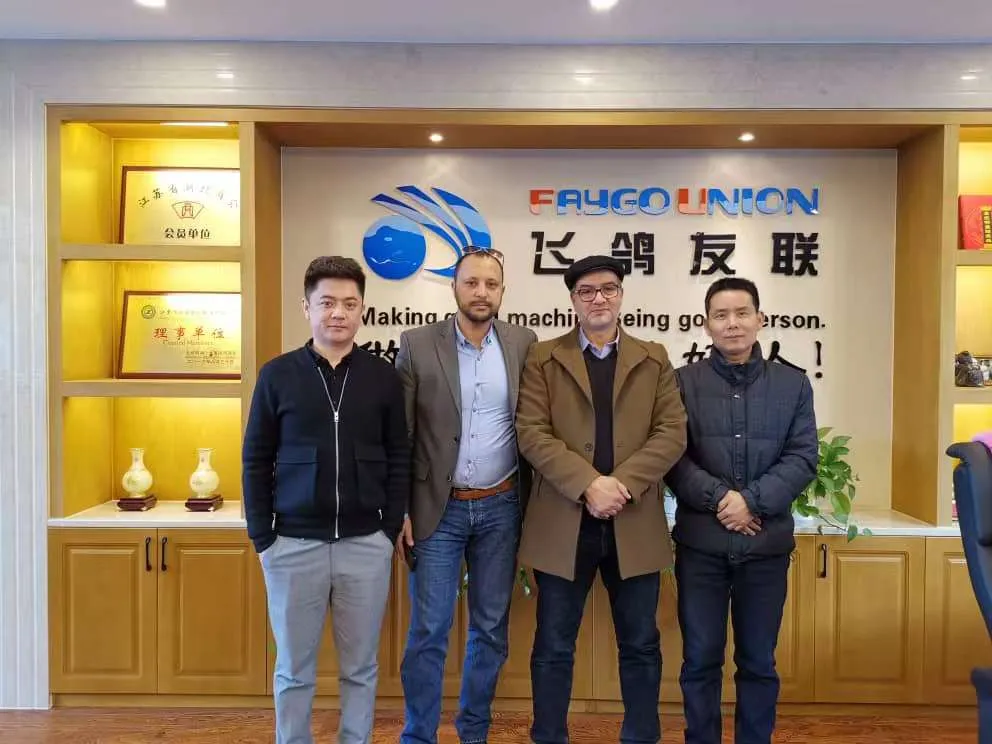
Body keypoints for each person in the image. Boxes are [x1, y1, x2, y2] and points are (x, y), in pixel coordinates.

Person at [515, 254, 687, 744]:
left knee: (641, 642)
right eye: (586, 291)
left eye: (608, 288)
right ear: (572, 300)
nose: (598, 299)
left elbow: (672, 432)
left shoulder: (654, 357)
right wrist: (589, 484)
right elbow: (531, 432)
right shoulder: (543, 358)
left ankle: (641, 736)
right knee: (553, 644)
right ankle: (549, 736)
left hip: (633, 520)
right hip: (564, 521)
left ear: (621, 295)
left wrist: (621, 485)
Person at [243, 255, 409, 744]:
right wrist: (263, 537)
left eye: (350, 304)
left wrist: (388, 529)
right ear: (307, 307)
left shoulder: (383, 376)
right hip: (292, 546)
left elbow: (399, 454)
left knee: (361, 668)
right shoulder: (278, 375)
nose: (339, 313)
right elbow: (256, 458)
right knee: (294, 669)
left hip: (365, 545)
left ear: (362, 310)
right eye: (327, 302)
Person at [666, 276, 818, 744]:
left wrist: (751, 501)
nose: (732, 323)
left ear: (759, 319)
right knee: (700, 660)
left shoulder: (792, 384)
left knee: (757, 662)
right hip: (701, 548)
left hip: (765, 549)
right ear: (706, 324)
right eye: (721, 315)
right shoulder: (681, 383)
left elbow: (802, 457)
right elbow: (672, 456)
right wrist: (721, 500)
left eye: (741, 313)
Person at [395, 245, 538, 744]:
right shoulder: (417, 344)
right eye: (471, 282)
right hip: (437, 510)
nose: (481, 292)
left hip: (502, 506)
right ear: (454, 287)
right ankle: (419, 735)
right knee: (429, 631)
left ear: (503, 291)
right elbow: (401, 435)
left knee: (491, 629)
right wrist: (401, 510)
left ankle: (473, 731)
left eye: (491, 284)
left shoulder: (523, 343)